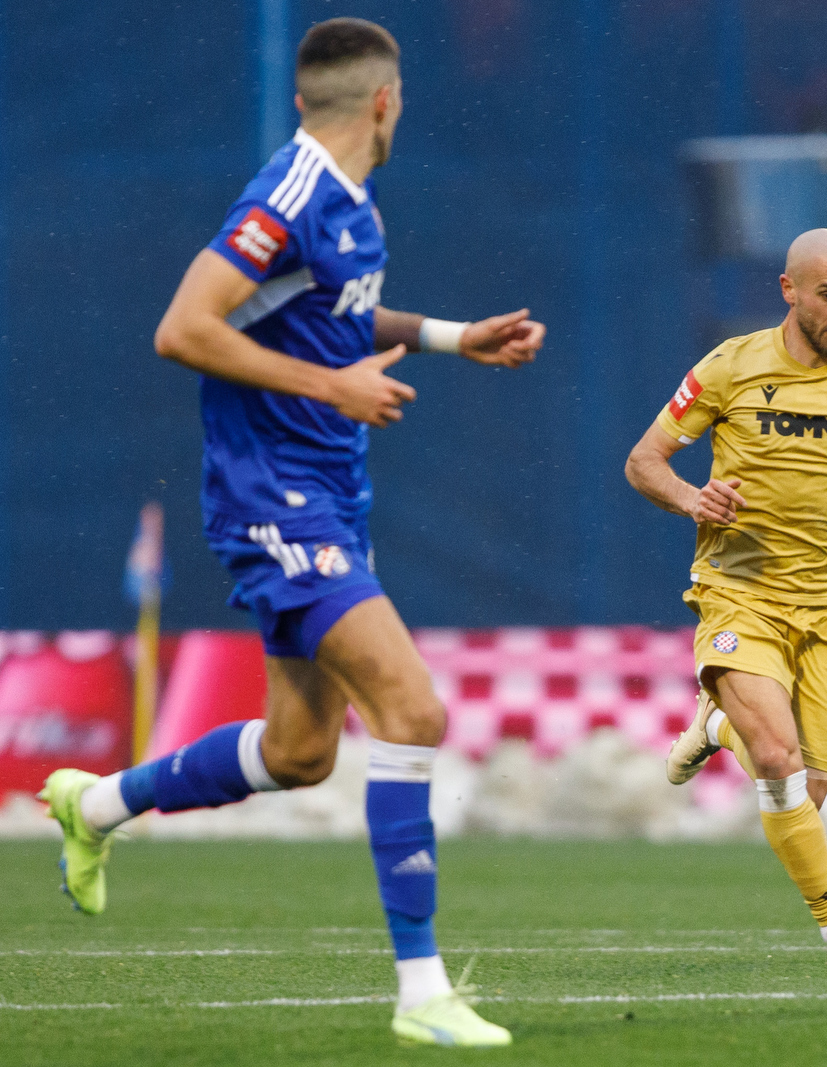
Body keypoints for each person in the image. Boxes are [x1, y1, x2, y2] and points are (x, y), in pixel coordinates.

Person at [37, 19, 543, 1046]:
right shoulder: (288, 198)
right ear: (385, 103)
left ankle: (94, 807)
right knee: (410, 707)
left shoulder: (351, 205)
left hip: (328, 497)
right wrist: (330, 385)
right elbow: (184, 327)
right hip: (273, 499)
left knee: (302, 751)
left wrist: (453, 338)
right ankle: (422, 992)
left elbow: (335, 316)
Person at [625, 228, 827, 964]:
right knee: (780, 761)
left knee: (803, 797)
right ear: (789, 290)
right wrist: (695, 500)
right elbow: (644, 461)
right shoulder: (731, 366)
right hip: (740, 596)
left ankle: (717, 727)